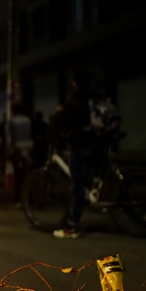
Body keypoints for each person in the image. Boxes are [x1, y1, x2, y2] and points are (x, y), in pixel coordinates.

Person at [49, 71, 97, 239]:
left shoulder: (75, 100)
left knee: (77, 186)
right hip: (97, 143)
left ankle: (72, 226)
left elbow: (60, 121)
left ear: (75, 83)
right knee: (89, 178)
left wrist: (59, 112)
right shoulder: (95, 97)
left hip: (80, 144)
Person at [6, 103, 34, 204]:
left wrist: (8, 151)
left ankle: (19, 198)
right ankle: (30, 197)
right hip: (28, 149)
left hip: (17, 150)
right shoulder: (27, 120)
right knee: (28, 174)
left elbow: (9, 138)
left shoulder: (11, 120)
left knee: (18, 176)